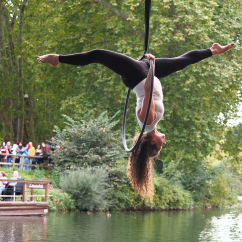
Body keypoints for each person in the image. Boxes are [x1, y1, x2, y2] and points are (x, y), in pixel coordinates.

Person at [38, 43, 234, 198]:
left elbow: (148, 90)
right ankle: (212, 50)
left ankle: (57, 59)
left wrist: (152, 66)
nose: (164, 141)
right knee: (182, 61)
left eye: (161, 145)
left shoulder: (147, 122)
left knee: (97, 54)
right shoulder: (152, 123)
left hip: (140, 75)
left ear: (152, 141)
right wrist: (153, 67)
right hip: (148, 72)